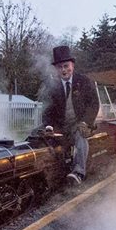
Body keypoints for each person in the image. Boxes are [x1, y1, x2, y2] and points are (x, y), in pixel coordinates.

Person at [42, 45, 99, 185]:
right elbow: (48, 109)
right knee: (36, 134)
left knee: (81, 135)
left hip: (79, 124)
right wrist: (48, 126)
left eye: (66, 66)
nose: (63, 70)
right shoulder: (53, 87)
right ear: (56, 69)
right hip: (60, 126)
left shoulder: (84, 81)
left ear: (72, 65)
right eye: (59, 67)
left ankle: (78, 172)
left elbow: (93, 104)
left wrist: (86, 122)